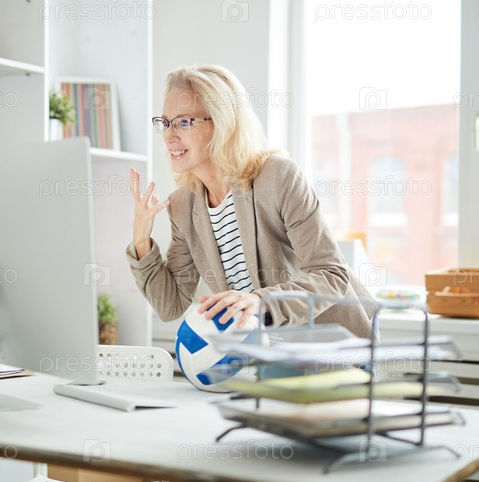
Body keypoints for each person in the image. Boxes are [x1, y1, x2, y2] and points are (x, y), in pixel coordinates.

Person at [126, 65, 376, 338]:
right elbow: (170, 305)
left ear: (222, 123)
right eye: (165, 123)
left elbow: (331, 276)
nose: (169, 135)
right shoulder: (183, 205)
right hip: (268, 354)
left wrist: (260, 301)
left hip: (333, 346)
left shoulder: (279, 178)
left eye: (183, 122)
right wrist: (141, 243)